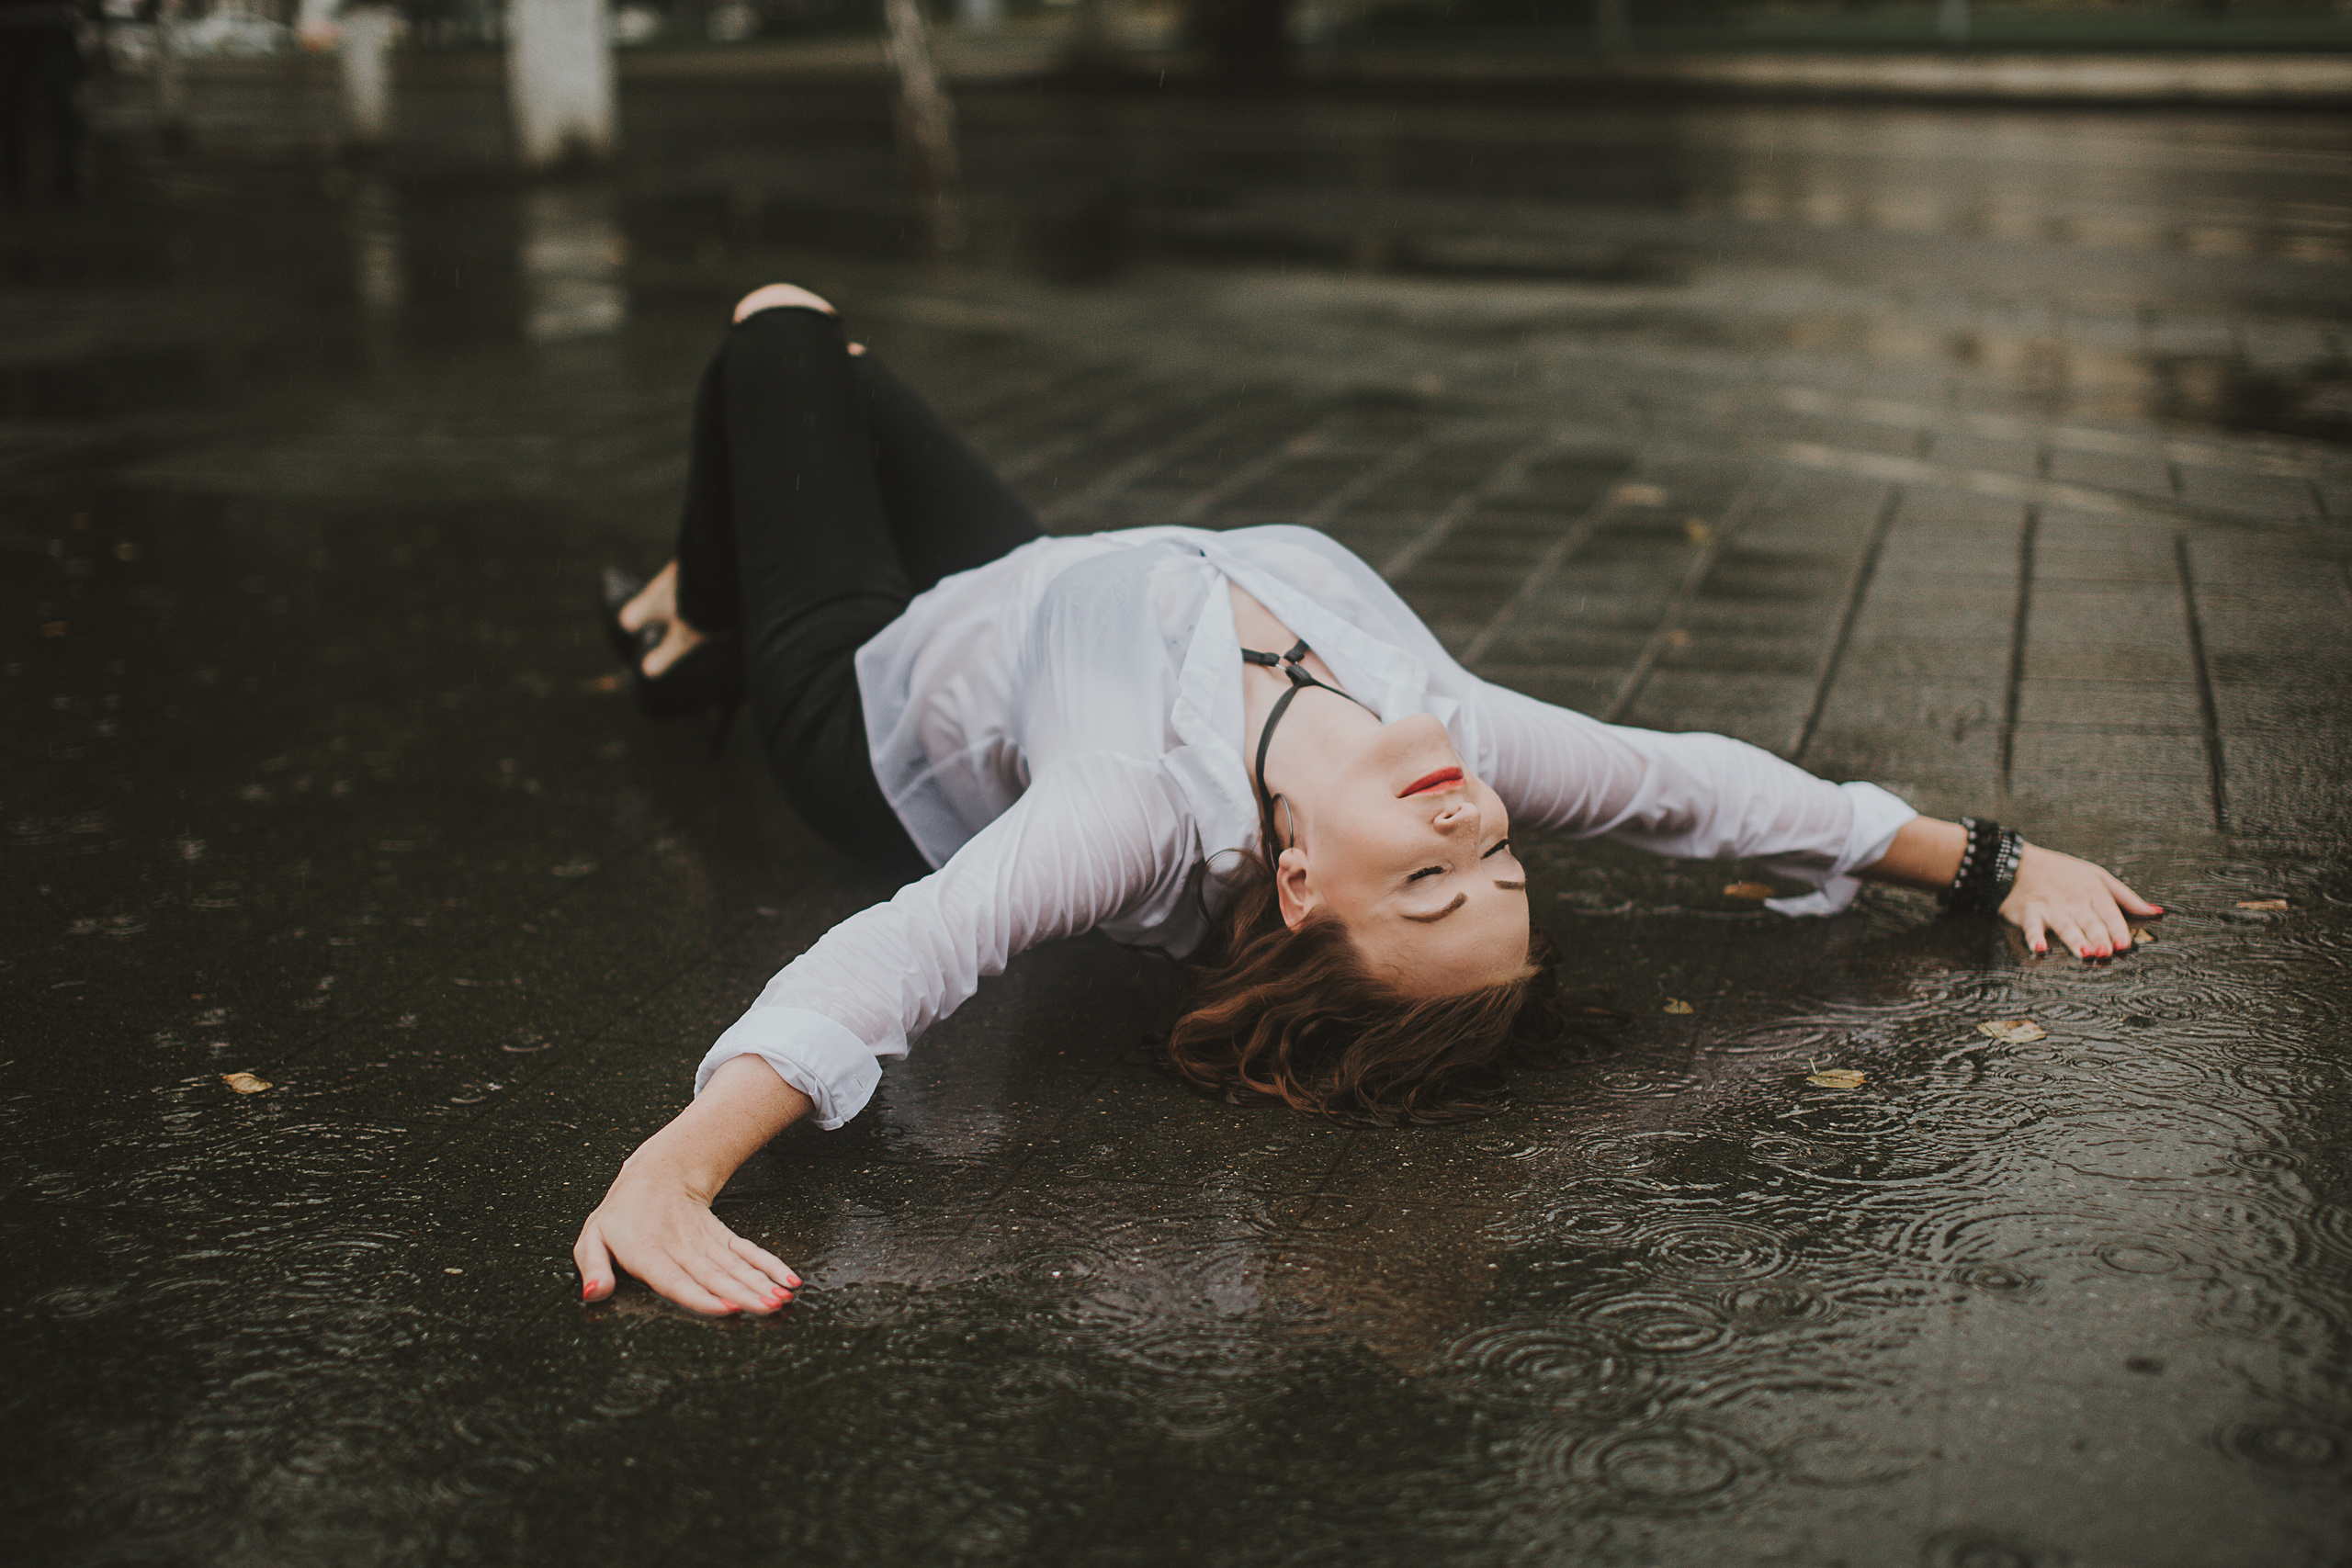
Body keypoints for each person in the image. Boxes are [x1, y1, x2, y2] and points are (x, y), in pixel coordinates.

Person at [572, 284, 2161, 1319]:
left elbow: (903, 959)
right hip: (1043, 583)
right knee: (837, 388)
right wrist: (1993, 862)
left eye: (1425, 885)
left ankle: (700, 641)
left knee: (784, 343)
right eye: (1500, 876)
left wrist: (677, 1166)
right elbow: (1699, 791)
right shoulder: (1447, 737)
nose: (1474, 835)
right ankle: (685, 623)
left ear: (1299, 889)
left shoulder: (1136, 811)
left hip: (869, 702)